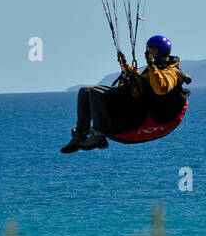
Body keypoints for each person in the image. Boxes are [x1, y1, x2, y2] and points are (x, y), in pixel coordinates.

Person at [60, 35, 191, 152]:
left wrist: (152, 66)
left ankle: (99, 134)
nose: (151, 54)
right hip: (135, 103)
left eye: (154, 51)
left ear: (163, 51)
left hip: (146, 113)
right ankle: (80, 135)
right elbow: (141, 85)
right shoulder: (152, 69)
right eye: (149, 50)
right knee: (84, 92)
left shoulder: (172, 71)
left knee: (95, 93)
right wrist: (128, 69)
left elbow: (160, 88)